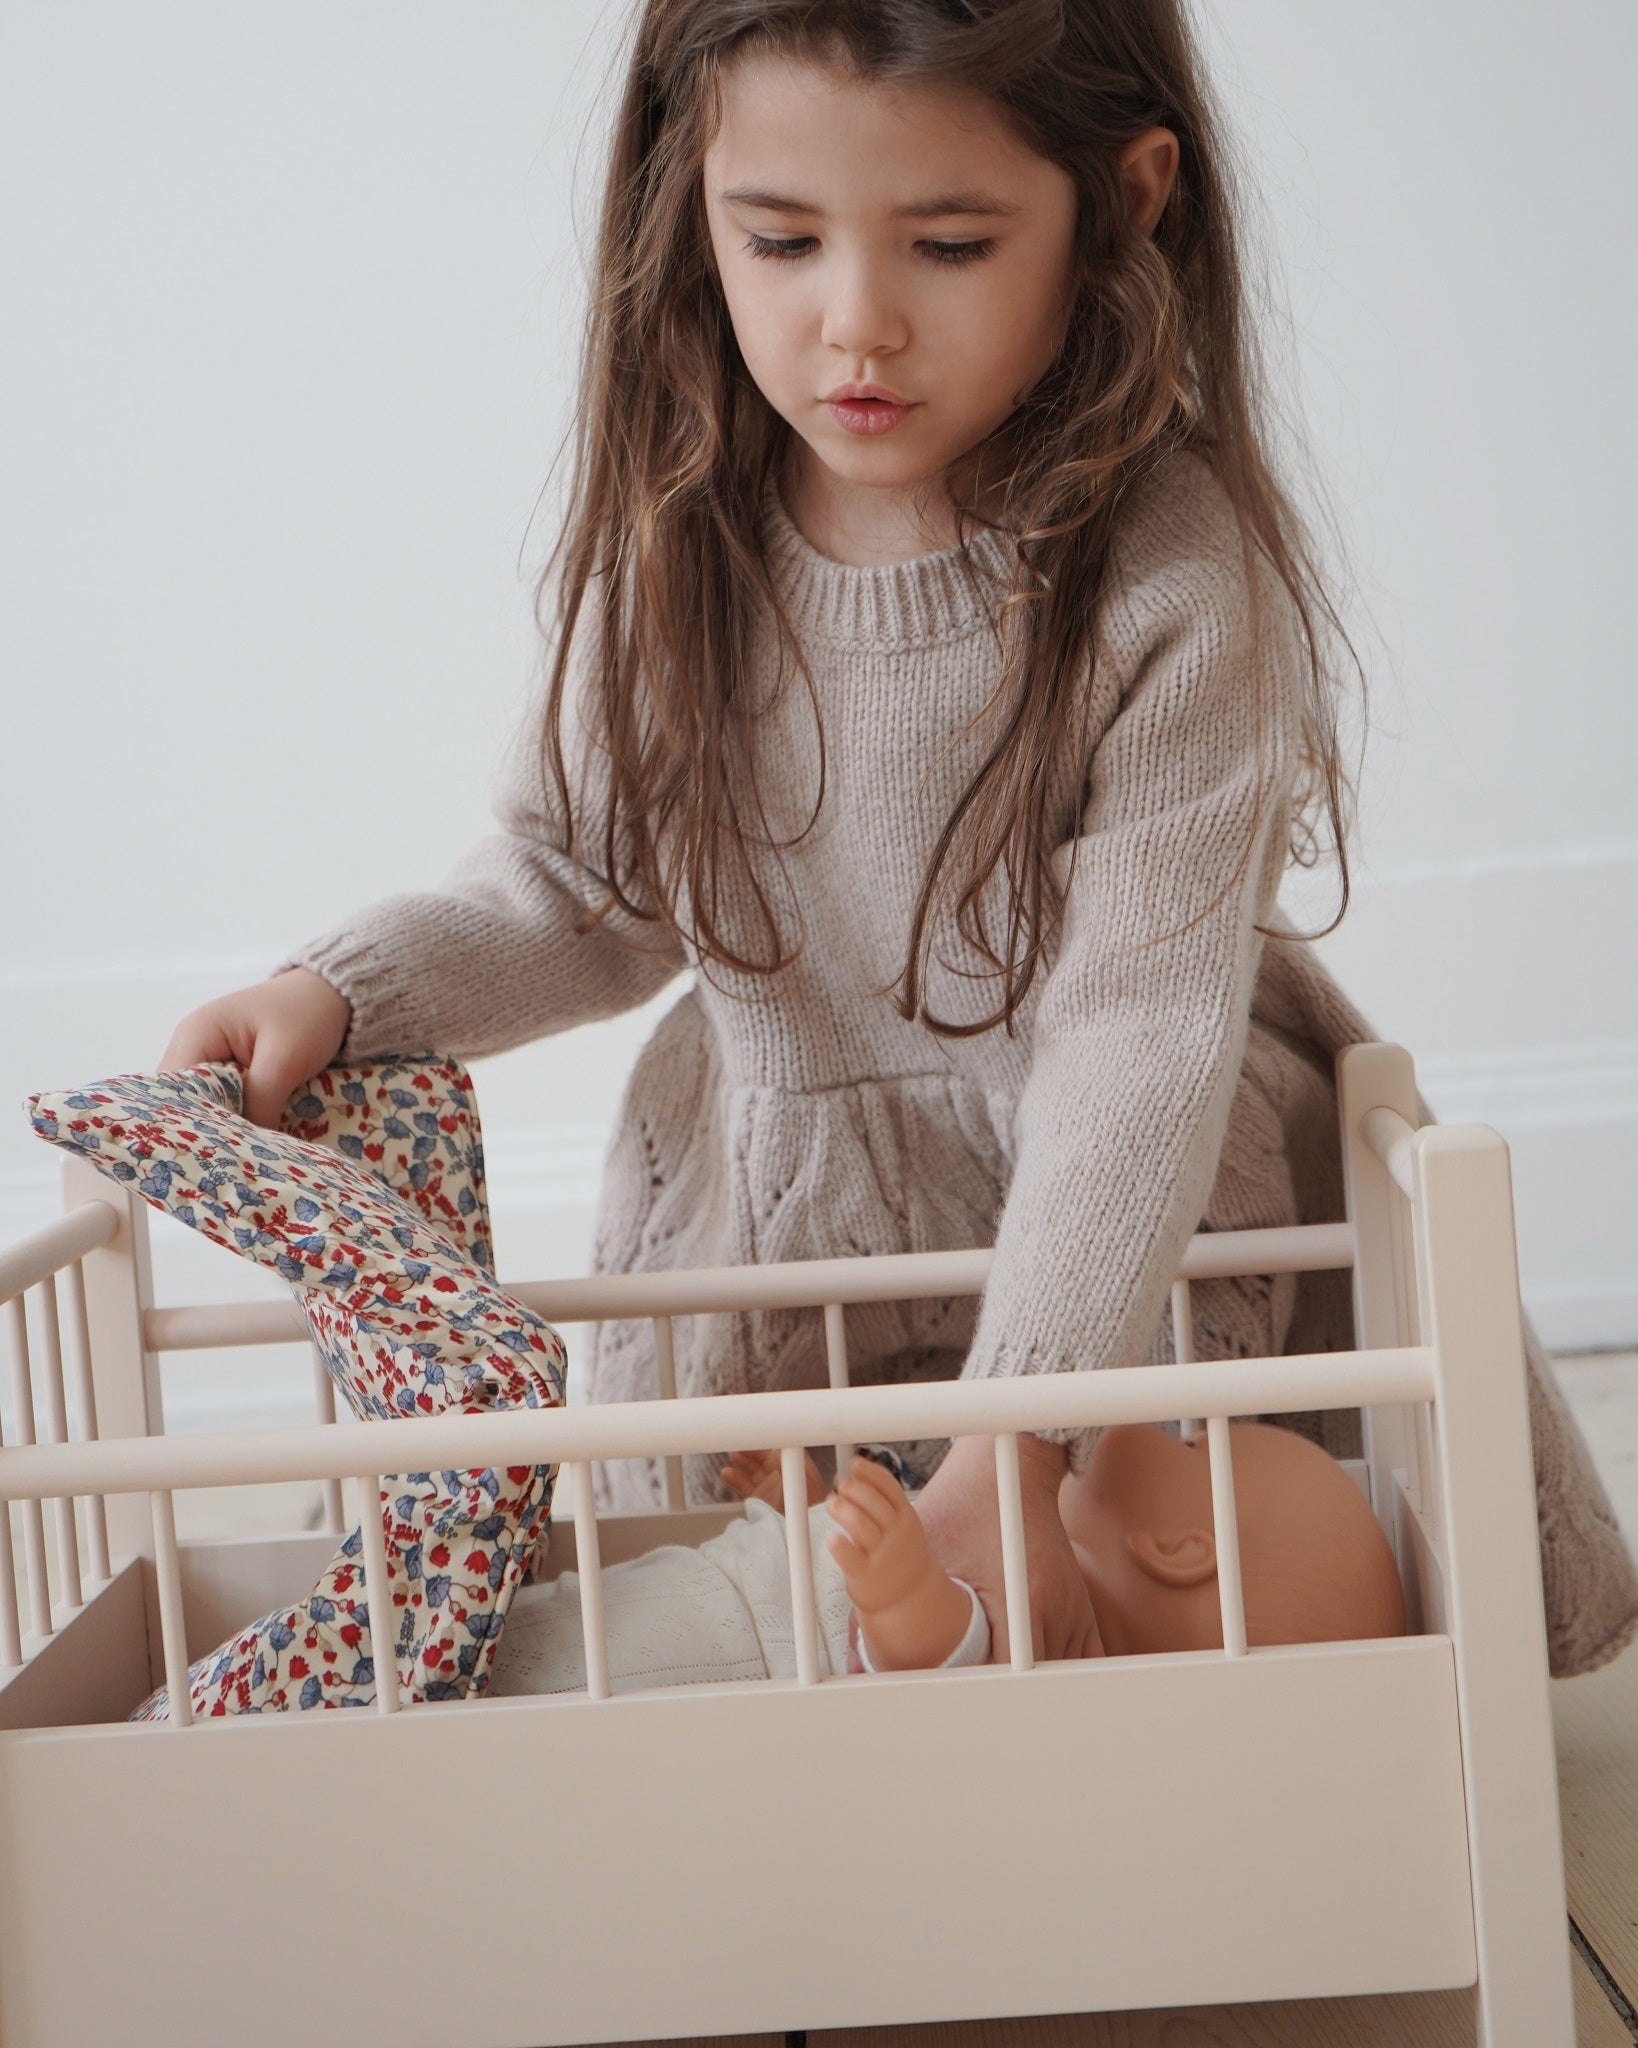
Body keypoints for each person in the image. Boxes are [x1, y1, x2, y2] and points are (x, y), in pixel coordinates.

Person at [156, 2, 1636, 1678]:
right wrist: (346, 990)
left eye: (946, 243)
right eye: (776, 237)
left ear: (1123, 202)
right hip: (796, 1211)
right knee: (770, 1618)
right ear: (686, 194)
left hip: (1115, 1188)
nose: (851, 324)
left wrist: (1021, 1428)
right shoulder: (683, 550)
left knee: (1168, 1614)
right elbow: (576, 884)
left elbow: (1133, 1022)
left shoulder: (1163, 569)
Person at [486, 1423, 1406, 1699]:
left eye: (1192, 1447)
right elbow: (837, 1602)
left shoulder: (1032, 1628)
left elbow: (934, 1656)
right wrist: (804, 1503)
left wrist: (901, 1585)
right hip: (713, 1606)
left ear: (1178, 1551)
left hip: (700, 1658)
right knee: (535, 1630)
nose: (1154, 1427)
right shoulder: (1011, 1540)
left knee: (530, 1662)